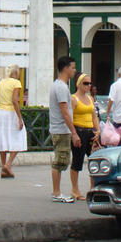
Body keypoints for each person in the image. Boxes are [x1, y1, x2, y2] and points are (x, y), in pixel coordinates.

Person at [49, 56, 79, 203]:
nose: (74, 71)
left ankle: (57, 191)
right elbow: (64, 111)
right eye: (72, 67)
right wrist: (73, 132)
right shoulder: (61, 87)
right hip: (61, 129)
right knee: (60, 161)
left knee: (62, 160)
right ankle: (56, 192)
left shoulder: (59, 86)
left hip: (60, 128)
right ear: (66, 68)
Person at [0, 64, 27, 179]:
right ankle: (8, 164)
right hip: (10, 113)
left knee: (3, 139)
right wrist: (20, 118)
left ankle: (3, 167)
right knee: (19, 137)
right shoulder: (16, 83)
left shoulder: (0, 82)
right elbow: (15, 100)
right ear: (16, 72)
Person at [70, 72, 101, 201]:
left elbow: (94, 116)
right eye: (85, 83)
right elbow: (69, 117)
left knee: (94, 159)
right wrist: (74, 134)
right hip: (79, 130)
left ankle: (93, 187)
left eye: (89, 83)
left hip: (90, 131)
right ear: (79, 84)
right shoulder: (73, 99)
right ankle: (75, 189)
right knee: (77, 160)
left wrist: (98, 130)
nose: (88, 86)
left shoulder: (90, 99)